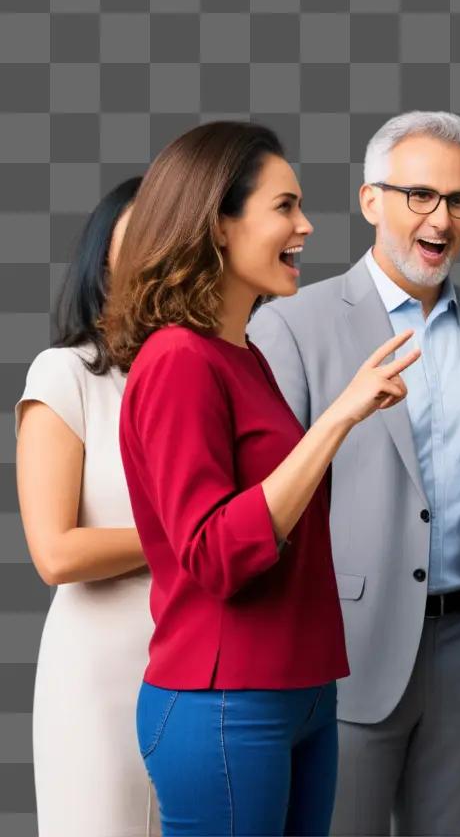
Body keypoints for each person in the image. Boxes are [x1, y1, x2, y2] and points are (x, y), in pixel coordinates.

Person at [105, 122, 419, 837]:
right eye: (285, 206)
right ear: (218, 223)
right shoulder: (179, 361)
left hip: (299, 688)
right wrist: (337, 418)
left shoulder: (242, 356)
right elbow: (215, 553)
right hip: (226, 701)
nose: (306, 225)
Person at [248, 111, 460, 837]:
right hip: (344, 640)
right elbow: (267, 497)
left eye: (459, 200)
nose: (442, 219)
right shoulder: (290, 324)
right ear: (371, 200)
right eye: (420, 196)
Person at [16, 177, 157, 836]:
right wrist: (186, 536)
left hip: (197, 673)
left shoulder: (197, 377)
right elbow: (54, 552)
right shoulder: (64, 374)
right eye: (142, 242)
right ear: (101, 258)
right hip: (98, 682)